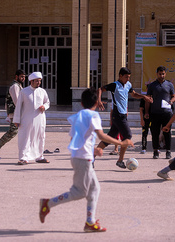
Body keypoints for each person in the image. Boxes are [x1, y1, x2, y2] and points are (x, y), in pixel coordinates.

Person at [39, 88, 134, 232]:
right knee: (79, 192)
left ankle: (90, 222)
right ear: (97, 102)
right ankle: (48, 203)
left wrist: (92, 150)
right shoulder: (93, 115)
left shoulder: (78, 116)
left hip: (78, 157)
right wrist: (121, 143)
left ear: (81, 103)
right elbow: (101, 136)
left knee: (94, 189)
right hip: (83, 160)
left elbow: (74, 139)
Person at [95, 67, 152, 169]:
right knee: (128, 136)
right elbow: (100, 89)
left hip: (123, 115)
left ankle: (92, 156)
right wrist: (99, 100)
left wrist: (144, 97)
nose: (128, 79)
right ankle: (120, 160)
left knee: (110, 138)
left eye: (129, 77)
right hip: (117, 115)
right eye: (126, 77)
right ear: (120, 76)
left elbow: (133, 94)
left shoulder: (128, 85)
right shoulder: (114, 85)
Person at [13, 72, 50, 165]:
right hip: (26, 120)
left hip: (39, 120)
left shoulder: (42, 92)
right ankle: (23, 158)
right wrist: (16, 119)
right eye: (37, 81)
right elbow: (18, 107)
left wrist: (44, 107)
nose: (38, 83)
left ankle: (39, 157)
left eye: (40, 81)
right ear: (31, 81)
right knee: (25, 138)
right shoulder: (24, 92)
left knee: (40, 137)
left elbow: (47, 102)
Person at [0, 69, 26, 159]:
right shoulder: (14, 86)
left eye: (24, 77)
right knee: (13, 131)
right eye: (21, 77)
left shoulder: (18, 85)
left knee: (24, 132)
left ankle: (28, 151)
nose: (23, 78)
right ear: (16, 76)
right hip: (16, 113)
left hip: (17, 113)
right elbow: (17, 101)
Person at [145, 66, 175, 160]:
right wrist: (147, 112)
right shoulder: (152, 85)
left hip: (167, 113)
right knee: (155, 133)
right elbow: (147, 99)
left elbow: (173, 96)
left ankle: (168, 151)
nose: (161, 75)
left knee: (167, 132)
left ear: (165, 74)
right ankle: (155, 151)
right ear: (157, 73)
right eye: (160, 74)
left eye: (163, 74)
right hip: (155, 113)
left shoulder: (169, 84)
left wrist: (171, 101)